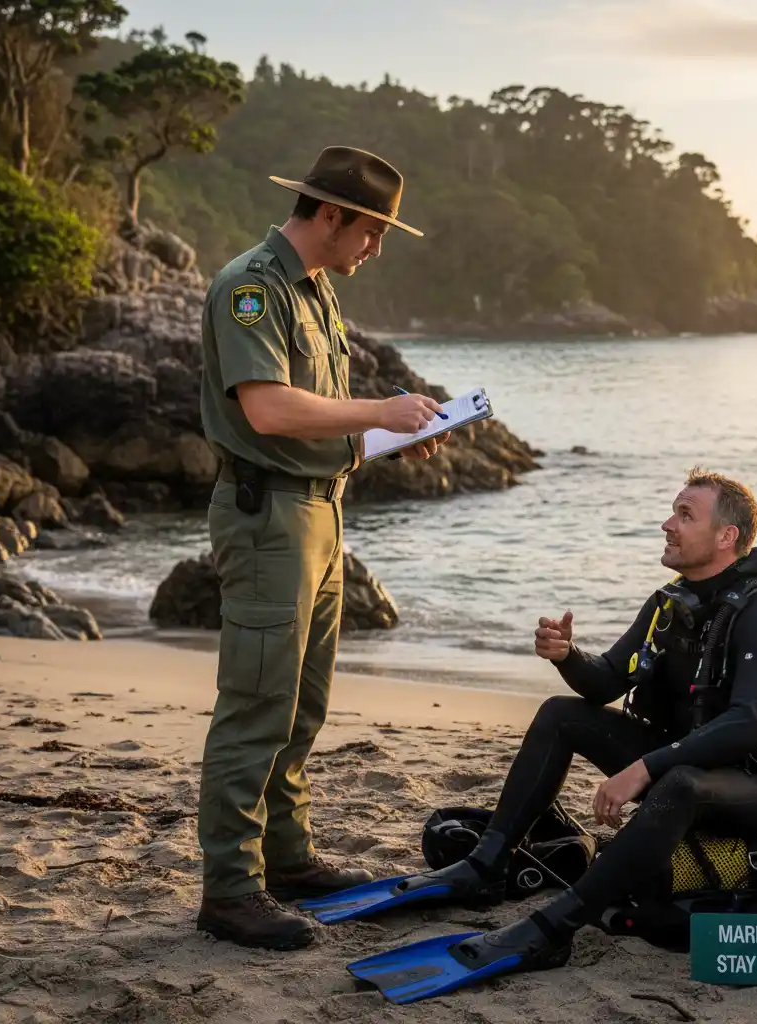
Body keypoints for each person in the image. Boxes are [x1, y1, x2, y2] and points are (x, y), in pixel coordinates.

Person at [325, 468, 757, 978]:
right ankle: (486, 865)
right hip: (686, 764)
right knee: (559, 715)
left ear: (727, 537)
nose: (667, 524)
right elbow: (606, 680)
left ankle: (553, 928)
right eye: (672, 510)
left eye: (684, 514)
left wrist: (643, 768)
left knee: (678, 782)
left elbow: (749, 725)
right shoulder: (673, 602)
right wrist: (568, 656)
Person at [196, 146, 450, 951]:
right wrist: (378, 406)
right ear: (331, 216)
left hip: (319, 513)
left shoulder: (314, 294)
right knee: (257, 707)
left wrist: (383, 433)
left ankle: (287, 856)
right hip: (269, 518)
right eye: (372, 232)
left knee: (301, 705)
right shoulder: (251, 287)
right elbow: (269, 410)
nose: (373, 249)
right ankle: (230, 892)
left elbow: (316, 414)